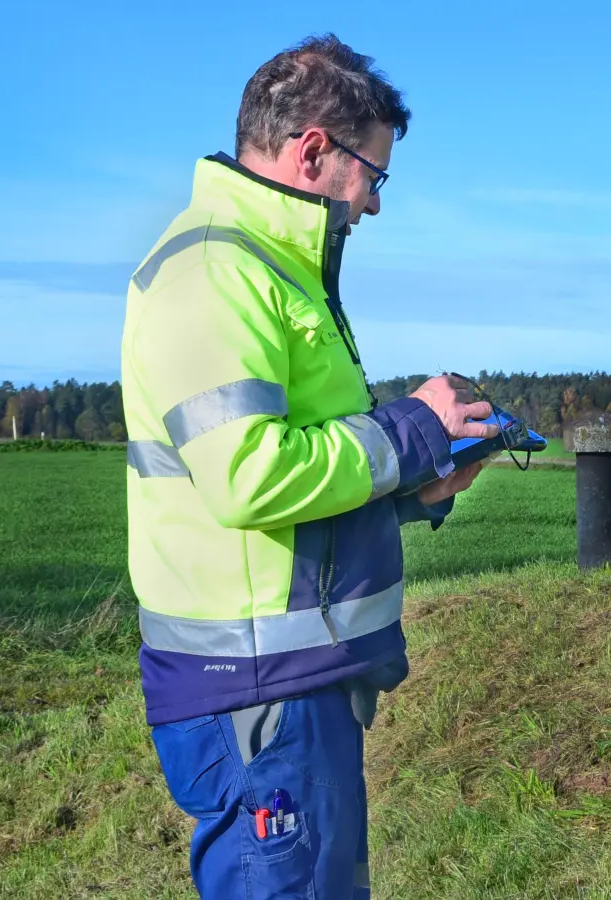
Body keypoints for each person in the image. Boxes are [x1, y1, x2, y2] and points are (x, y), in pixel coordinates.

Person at [119, 34, 496, 899]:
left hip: (283, 683)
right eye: (375, 174)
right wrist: (409, 430)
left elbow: (286, 487)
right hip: (256, 694)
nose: (374, 203)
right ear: (314, 150)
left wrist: (413, 488)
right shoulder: (219, 269)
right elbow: (250, 477)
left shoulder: (272, 272)